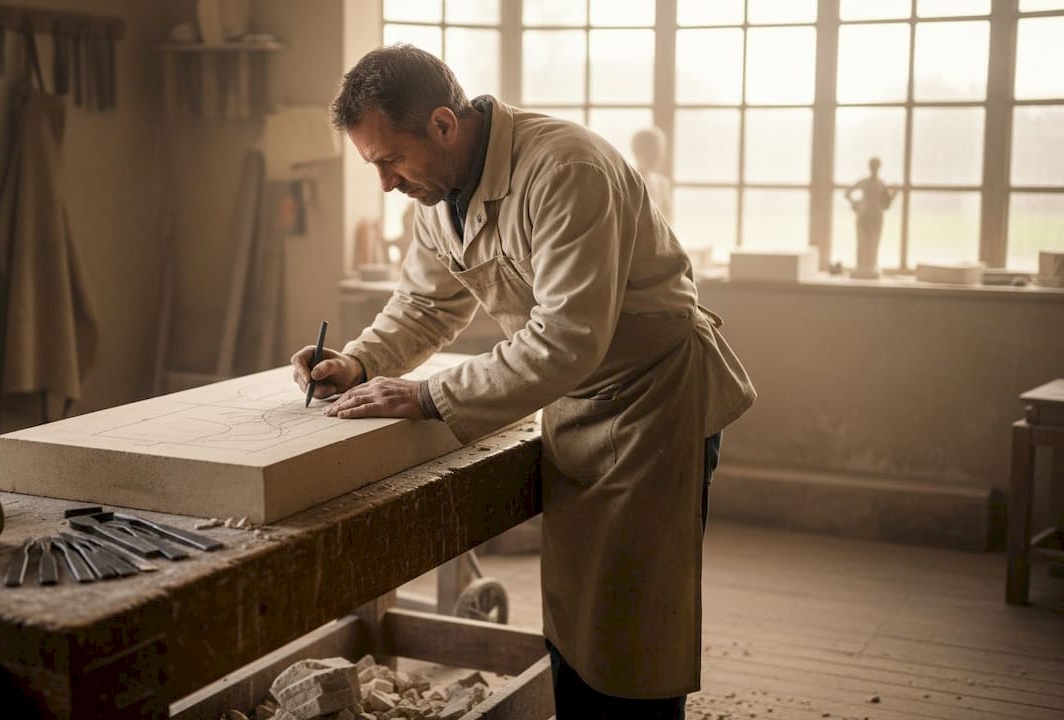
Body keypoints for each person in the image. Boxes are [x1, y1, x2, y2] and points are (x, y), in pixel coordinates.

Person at [291, 45, 756, 719]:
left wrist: (426, 396)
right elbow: (426, 305)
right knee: (577, 620)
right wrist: (359, 362)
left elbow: (568, 337)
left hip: (651, 402)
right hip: (576, 402)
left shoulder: (566, 169)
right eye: (376, 166)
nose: (387, 182)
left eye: (390, 160)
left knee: (635, 628)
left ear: (444, 126)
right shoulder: (437, 190)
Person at [844, 156, 898, 279]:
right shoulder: (869, 182)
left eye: (876, 166)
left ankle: (870, 265)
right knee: (863, 240)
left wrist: (894, 193)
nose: (874, 168)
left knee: (873, 241)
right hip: (865, 214)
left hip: (874, 215)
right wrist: (855, 204)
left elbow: (887, 204)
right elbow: (847, 193)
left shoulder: (880, 184)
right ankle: (862, 265)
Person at [631, 126, 673, 220]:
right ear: (637, 151)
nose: (659, 155)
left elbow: (668, 221)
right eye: (653, 150)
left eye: (660, 150)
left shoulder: (663, 184)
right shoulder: (627, 181)